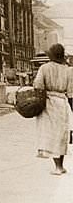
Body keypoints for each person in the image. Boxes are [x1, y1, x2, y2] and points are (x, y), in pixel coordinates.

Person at [33, 43, 73, 175]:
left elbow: (38, 85)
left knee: (51, 134)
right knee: (61, 134)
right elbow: (71, 92)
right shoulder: (69, 70)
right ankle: (60, 166)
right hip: (61, 103)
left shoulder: (44, 68)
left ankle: (57, 166)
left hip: (48, 103)